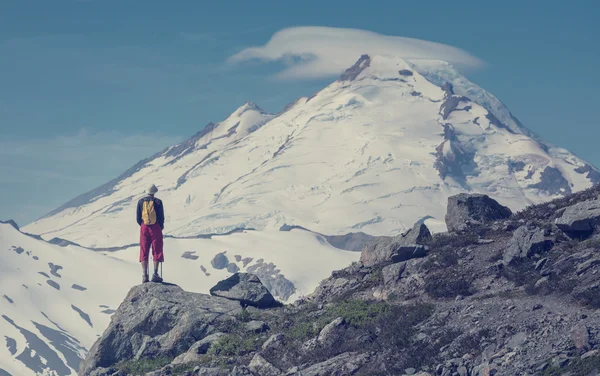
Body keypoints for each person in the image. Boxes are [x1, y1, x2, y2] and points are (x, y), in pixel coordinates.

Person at [136, 184, 165, 283]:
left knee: (144, 249)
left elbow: (138, 218)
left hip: (144, 227)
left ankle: (144, 275)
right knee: (157, 249)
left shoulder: (140, 202)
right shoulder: (158, 202)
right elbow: (161, 217)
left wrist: (143, 225)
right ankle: (155, 274)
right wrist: (160, 227)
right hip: (155, 227)